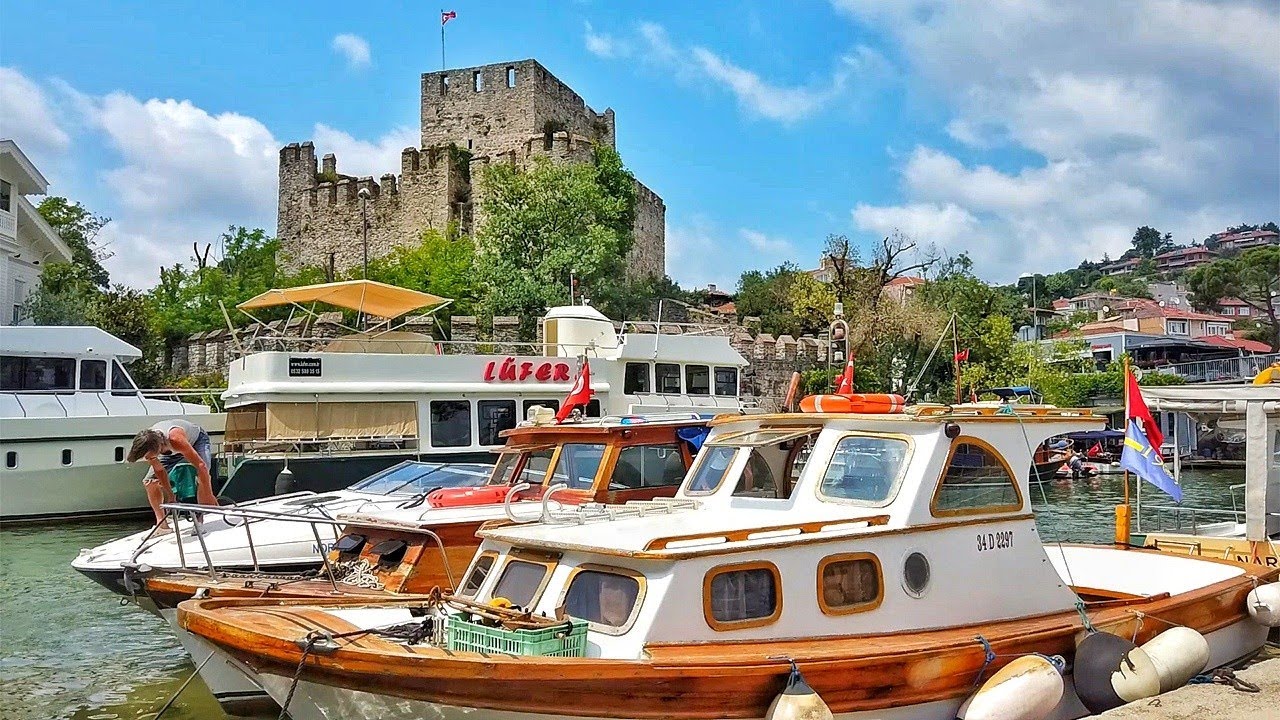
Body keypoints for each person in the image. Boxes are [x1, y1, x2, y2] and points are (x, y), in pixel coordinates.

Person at [127, 419, 217, 530]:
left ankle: (201, 519)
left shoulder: (175, 438)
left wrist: (208, 494)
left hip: (195, 442)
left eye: (149, 456)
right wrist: (170, 495)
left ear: (157, 448)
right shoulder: (149, 445)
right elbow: (160, 471)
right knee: (150, 482)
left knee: (202, 474)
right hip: (170, 451)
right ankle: (162, 525)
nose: (147, 459)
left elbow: (201, 466)